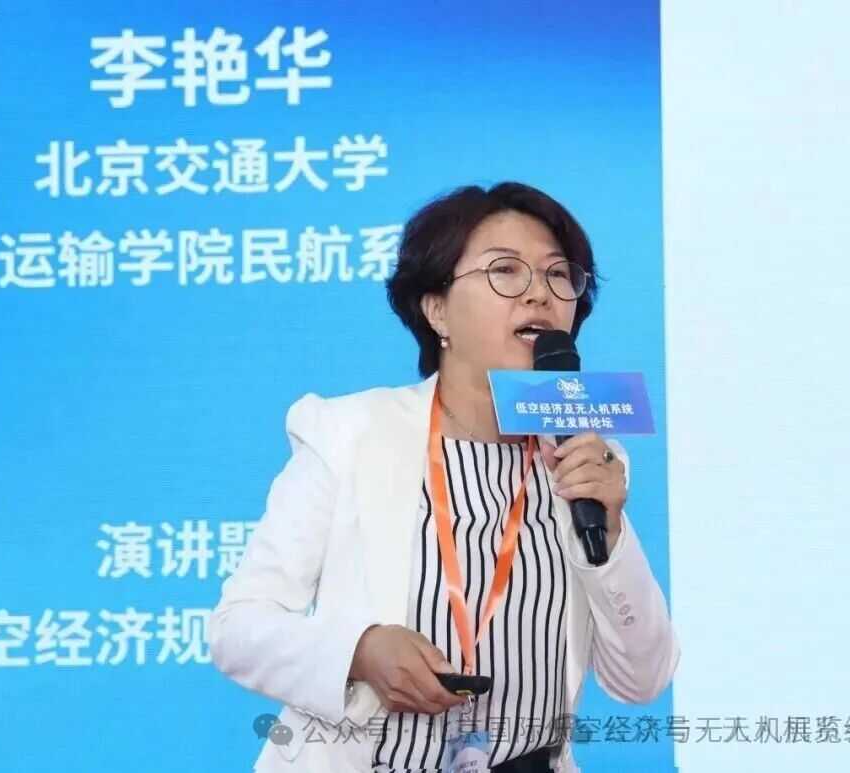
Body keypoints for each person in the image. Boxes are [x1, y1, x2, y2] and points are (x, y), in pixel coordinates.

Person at [210, 182, 681, 773]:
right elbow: (238, 627)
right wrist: (360, 651)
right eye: (505, 271)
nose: (540, 292)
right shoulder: (349, 434)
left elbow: (643, 678)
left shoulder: (586, 460)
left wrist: (609, 534)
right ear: (437, 310)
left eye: (559, 275)